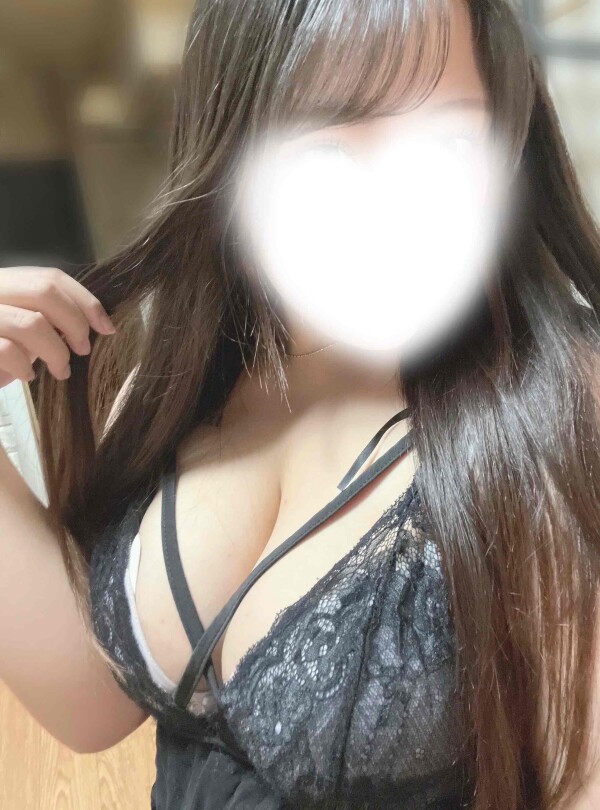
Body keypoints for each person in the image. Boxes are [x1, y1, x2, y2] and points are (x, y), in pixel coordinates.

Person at [2, 0, 600, 807]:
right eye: (328, 147)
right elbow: (93, 700)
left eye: (450, 143)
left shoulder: (562, 415)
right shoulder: (176, 378)